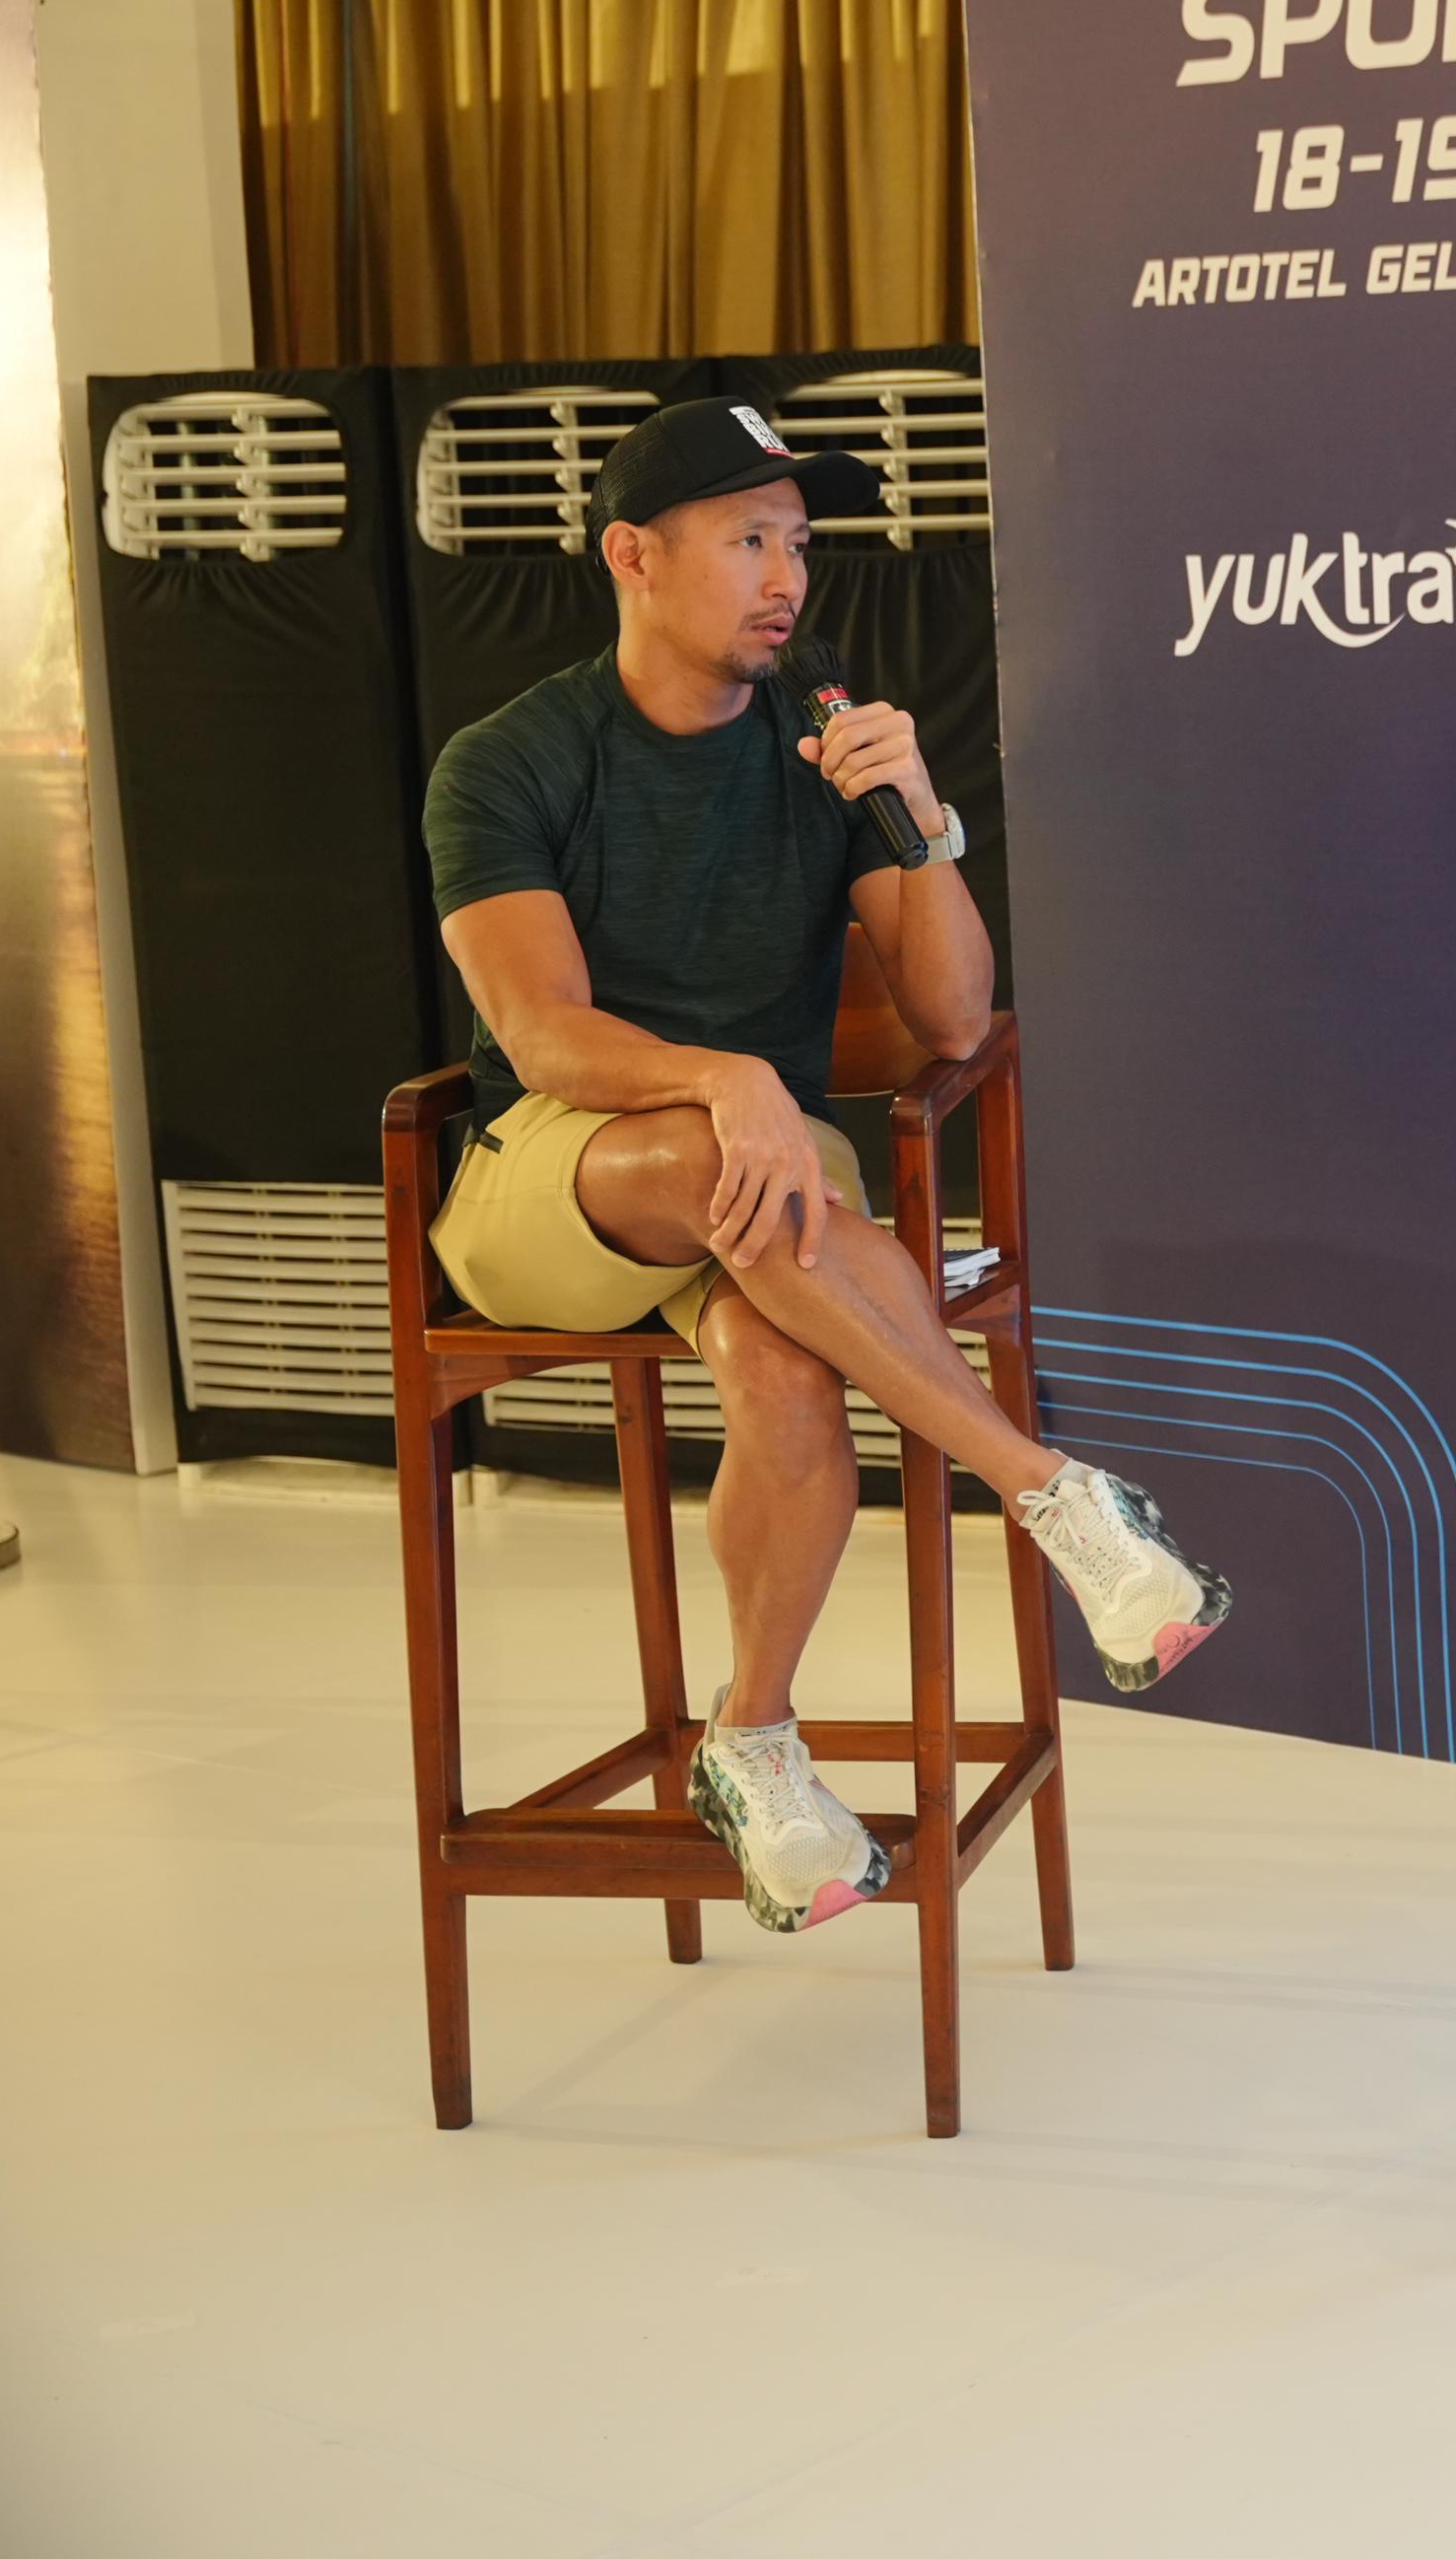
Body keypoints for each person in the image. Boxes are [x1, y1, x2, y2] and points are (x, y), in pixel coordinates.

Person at [423, 397, 1235, 1935]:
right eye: (747, 538)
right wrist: (726, 1076)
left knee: (791, 1376)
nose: (786, 575)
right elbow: (541, 1034)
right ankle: (1051, 1491)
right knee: (719, 1152)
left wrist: (920, 818)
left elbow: (955, 1017)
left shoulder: (824, 745)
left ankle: (750, 1744)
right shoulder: (510, 758)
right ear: (633, 557)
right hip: (562, 1183)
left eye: (798, 540)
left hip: (767, 1191)